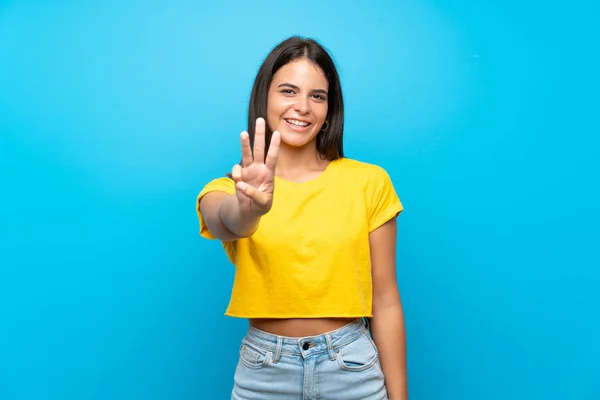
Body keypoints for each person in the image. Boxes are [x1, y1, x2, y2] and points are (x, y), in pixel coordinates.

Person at [196, 36, 408, 400]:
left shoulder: (369, 182)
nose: (303, 107)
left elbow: (385, 300)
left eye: (317, 96)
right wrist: (249, 209)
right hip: (264, 372)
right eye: (288, 91)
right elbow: (226, 221)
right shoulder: (232, 187)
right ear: (265, 97)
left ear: (330, 109)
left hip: (352, 368)